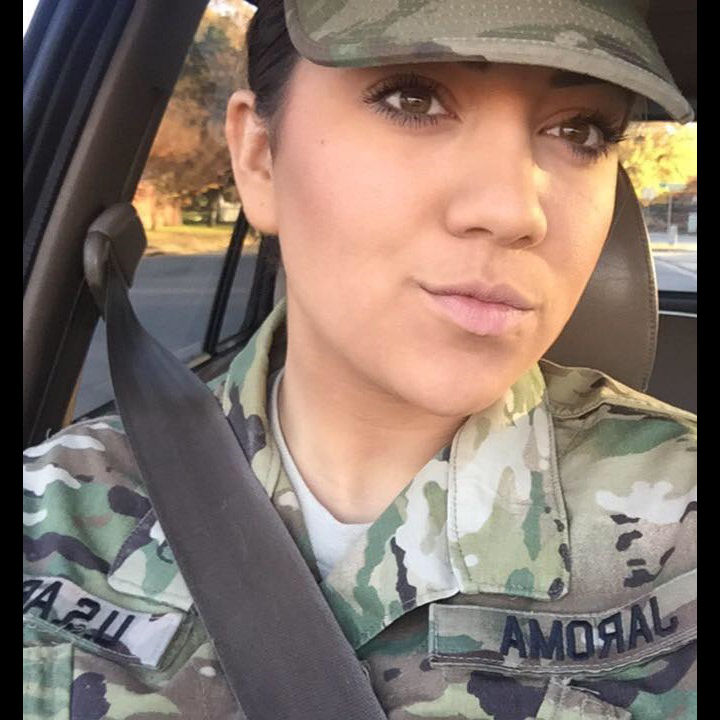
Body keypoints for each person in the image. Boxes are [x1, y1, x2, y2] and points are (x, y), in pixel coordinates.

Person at [23, 1, 696, 718]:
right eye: (414, 99)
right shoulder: (48, 518)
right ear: (260, 157)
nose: (513, 211)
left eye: (580, 130)